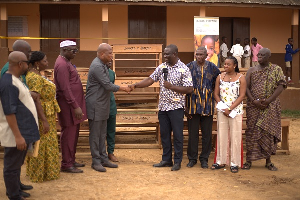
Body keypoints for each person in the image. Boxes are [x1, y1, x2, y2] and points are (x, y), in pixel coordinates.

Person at [128, 44, 193, 171]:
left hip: (176, 108)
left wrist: (172, 87)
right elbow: (150, 79)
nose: (165, 56)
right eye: (164, 53)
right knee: (164, 135)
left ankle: (177, 161)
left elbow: (189, 89)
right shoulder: (162, 67)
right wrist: (135, 85)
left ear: (174, 54)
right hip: (163, 108)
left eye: (167, 54)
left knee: (178, 136)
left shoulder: (184, 69)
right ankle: (166, 160)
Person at [0, 51, 40, 200]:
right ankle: (13, 195)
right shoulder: (8, 83)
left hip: (23, 131)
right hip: (15, 133)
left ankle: (16, 186)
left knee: (17, 163)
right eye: (26, 62)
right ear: (20, 64)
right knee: (11, 165)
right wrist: (18, 136)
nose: (28, 66)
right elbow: (9, 112)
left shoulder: (16, 79)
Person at [86, 43, 131, 172]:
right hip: (95, 104)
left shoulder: (103, 65)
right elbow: (108, 85)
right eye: (110, 53)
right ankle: (96, 161)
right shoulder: (97, 66)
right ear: (101, 54)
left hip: (103, 104)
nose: (112, 55)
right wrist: (124, 88)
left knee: (102, 133)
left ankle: (104, 159)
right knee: (95, 135)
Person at [242, 48, 286, 171]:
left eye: (262, 55)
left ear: (269, 56)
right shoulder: (251, 70)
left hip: (270, 107)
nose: (259, 56)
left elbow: (281, 85)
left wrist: (268, 100)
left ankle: (268, 161)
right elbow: (246, 87)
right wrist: (253, 101)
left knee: (268, 133)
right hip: (254, 107)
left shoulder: (276, 69)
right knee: (252, 133)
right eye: (258, 55)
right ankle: (249, 160)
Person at [26, 51, 61, 182]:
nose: (47, 63)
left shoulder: (37, 75)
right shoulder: (34, 78)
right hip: (43, 115)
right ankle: (40, 173)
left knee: (47, 143)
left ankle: (46, 171)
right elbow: (36, 100)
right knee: (42, 144)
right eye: (45, 61)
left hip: (48, 112)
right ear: (37, 63)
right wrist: (44, 120)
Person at [54, 40, 87, 173]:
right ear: (65, 50)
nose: (75, 53)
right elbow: (65, 88)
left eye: (76, 50)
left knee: (73, 134)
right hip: (69, 107)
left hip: (73, 106)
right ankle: (66, 164)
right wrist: (75, 106)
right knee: (68, 134)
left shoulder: (66, 62)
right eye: (73, 50)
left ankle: (71, 160)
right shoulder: (61, 64)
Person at [185, 46, 220, 169]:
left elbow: (219, 83)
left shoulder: (213, 68)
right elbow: (183, 86)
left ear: (206, 55)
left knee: (207, 135)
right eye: (197, 54)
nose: (199, 57)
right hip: (192, 106)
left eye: (201, 54)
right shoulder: (188, 67)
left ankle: (204, 159)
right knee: (192, 134)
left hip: (207, 106)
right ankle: (192, 158)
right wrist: (185, 107)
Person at [212, 56, 246, 173]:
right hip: (222, 111)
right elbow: (216, 94)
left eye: (228, 64)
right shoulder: (220, 77)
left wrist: (231, 108)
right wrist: (224, 108)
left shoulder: (241, 78)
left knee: (235, 136)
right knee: (221, 135)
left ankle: (234, 163)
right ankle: (220, 161)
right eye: (224, 64)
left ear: (234, 65)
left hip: (235, 111)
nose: (225, 66)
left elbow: (242, 96)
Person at [107, 62, 118, 162]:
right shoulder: (97, 72)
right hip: (101, 106)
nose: (110, 61)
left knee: (111, 130)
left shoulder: (112, 73)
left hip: (111, 105)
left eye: (111, 60)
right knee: (100, 132)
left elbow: (112, 88)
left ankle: (110, 152)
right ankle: (99, 153)